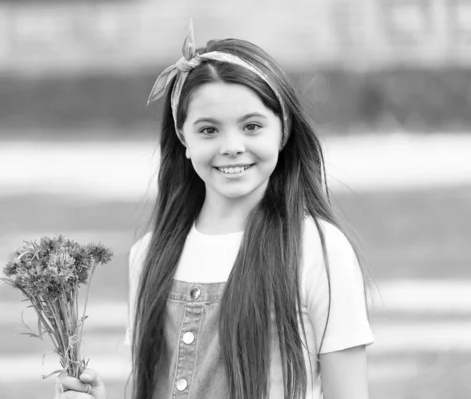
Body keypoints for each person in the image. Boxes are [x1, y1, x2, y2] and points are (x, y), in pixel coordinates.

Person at [59, 20, 374, 399]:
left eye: (252, 126)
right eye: (209, 130)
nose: (232, 146)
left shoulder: (318, 249)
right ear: (183, 138)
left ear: (283, 130)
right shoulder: (150, 255)